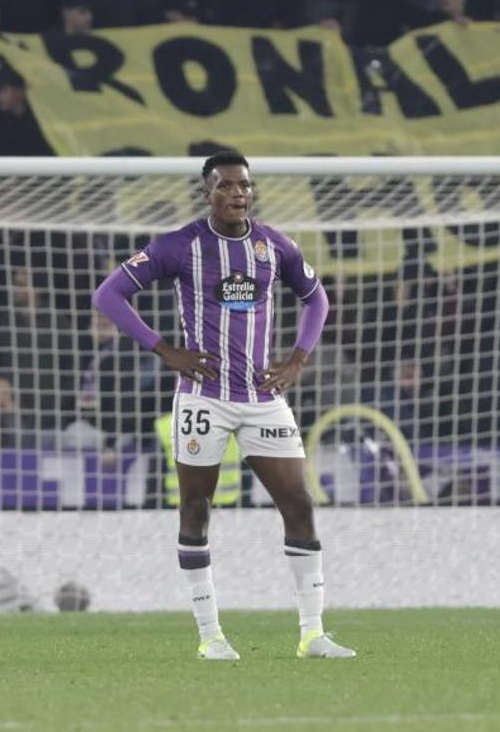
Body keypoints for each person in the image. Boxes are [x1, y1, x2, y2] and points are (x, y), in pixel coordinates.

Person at [92, 150, 355, 662]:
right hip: (203, 398)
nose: (238, 194)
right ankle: (211, 636)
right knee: (196, 508)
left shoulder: (272, 244)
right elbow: (109, 295)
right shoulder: (179, 245)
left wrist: (297, 359)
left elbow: (317, 298)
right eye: (227, 186)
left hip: (262, 398)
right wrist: (165, 349)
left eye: (245, 186)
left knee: (298, 504)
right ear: (207, 193)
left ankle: (313, 634)